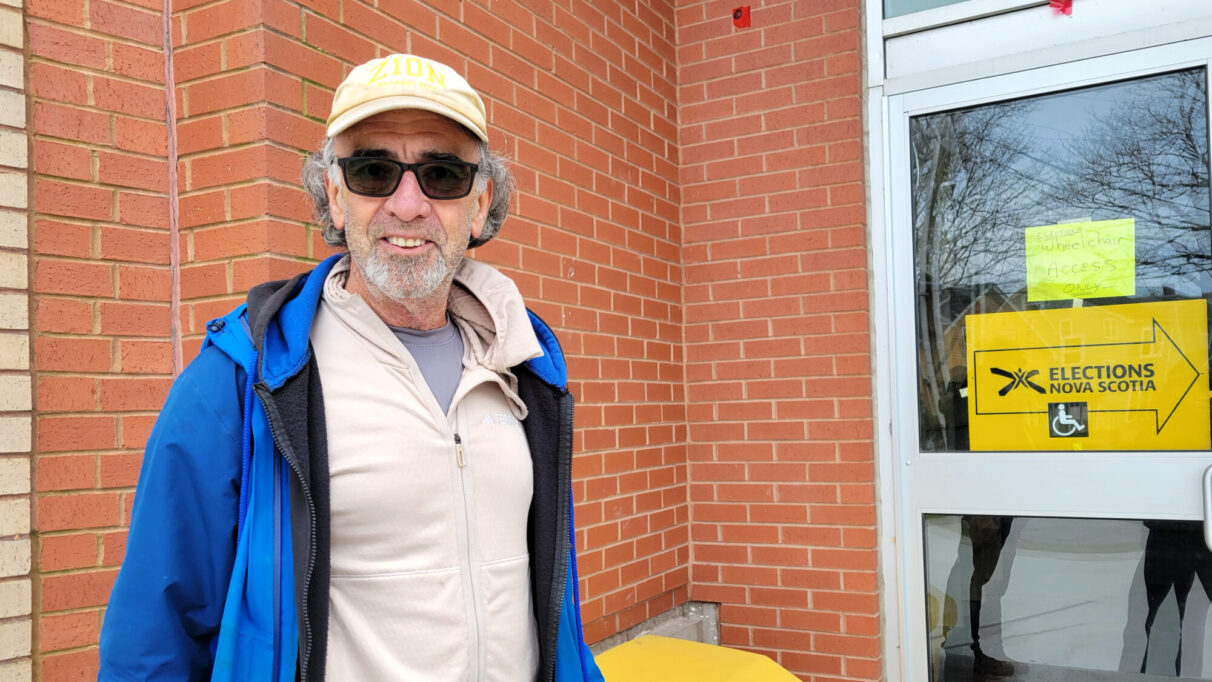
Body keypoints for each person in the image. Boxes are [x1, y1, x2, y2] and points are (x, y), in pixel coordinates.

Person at [98, 54, 605, 682]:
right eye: (373, 170)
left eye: (443, 174)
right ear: (334, 197)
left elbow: (551, 609)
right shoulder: (242, 383)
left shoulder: (525, 367)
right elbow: (157, 635)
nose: (409, 204)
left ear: (480, 205)